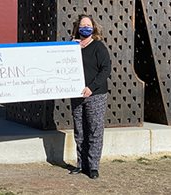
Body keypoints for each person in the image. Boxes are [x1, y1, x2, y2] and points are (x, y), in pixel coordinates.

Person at [69, 14, 111, 179]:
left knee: (94, 130)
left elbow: (105, 69)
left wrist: (91, 87)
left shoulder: (98, 47)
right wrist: (70, 49)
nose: (85, 27)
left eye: (88, 25)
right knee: (80, 130)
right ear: (77, 28)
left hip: (96, 94)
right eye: (82, 25)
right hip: (77, 94)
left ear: (93, 27)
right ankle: (81, 164)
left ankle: (93, 167)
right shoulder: (72, 46)